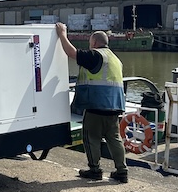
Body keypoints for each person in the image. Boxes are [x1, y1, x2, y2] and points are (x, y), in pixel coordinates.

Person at [55, 23, 129, 183]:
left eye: (90, 42)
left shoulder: (96, 56)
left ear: (94, 43)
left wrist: (62, 34)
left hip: (96, 106)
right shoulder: (115, 59)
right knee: (114, 138)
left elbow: (71, 53)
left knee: (91, 138)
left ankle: (94, 170)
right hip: (115, 107)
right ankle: (122, 171)